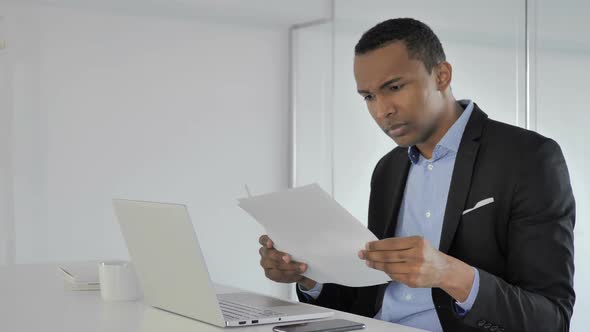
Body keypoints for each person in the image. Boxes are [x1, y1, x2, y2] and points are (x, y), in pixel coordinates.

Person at [258, 18, 575, 332]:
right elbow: (367, 300)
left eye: (394, 87)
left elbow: (551, 319)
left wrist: (449, 273)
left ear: (441, 75)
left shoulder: (528, 158)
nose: (382, 111)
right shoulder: (388, 169)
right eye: (368, 97)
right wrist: (309, 276)